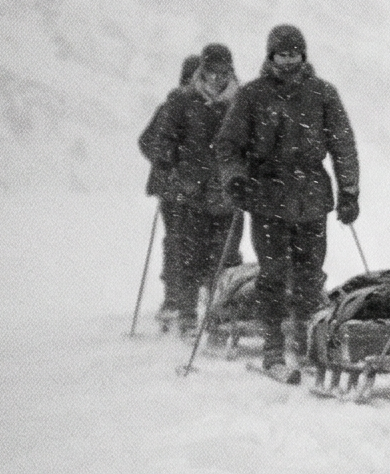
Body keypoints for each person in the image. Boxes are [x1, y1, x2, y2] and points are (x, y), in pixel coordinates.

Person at [214, 23, 360, 382]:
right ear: (270, 56)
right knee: (274, 275)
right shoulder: (251, 96)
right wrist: (235, 177)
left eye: (294, 54)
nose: (288, 61)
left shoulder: (323, 94)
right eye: (282, 54)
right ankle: (273, 349)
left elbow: (343, 145)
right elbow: (228, 145)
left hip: (312, 195)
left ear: (303, 55)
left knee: (311, 277)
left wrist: (350, 191)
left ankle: (305, 341)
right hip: (266, 196)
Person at [140, 45, 245, 332]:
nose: (216, 78)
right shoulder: (179, 103)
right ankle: (183, 307)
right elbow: (154, 142)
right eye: (210, 72)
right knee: (185, 249)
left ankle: (214, 312)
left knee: (224, 256)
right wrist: (174, 166)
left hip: (226, 193)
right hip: (187, 193)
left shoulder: (244, 101)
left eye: (222, 72)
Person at [137, 55, 200, 329]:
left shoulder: (171, 107)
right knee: (181, 241)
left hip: (182, 188)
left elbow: (147, 142)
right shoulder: (172, 108)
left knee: (178, 241)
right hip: (177, 189)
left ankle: (177, 297)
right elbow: (148, 142)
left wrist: (166, 159)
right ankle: (178, 297)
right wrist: (169, 159)